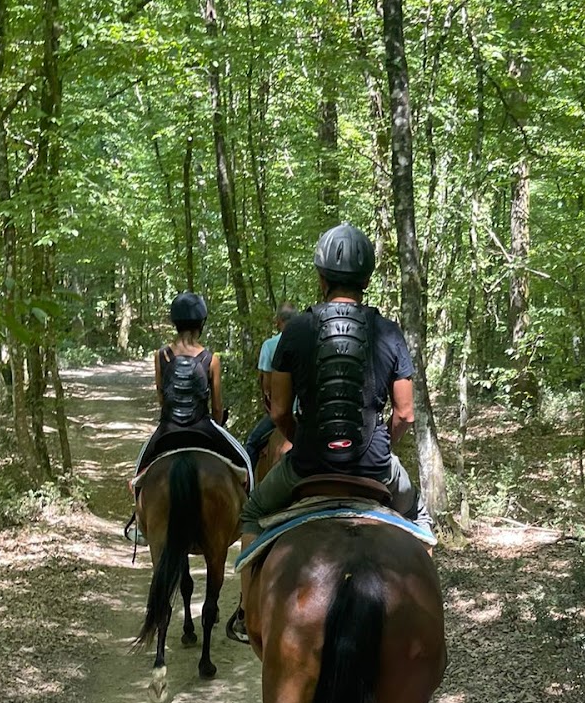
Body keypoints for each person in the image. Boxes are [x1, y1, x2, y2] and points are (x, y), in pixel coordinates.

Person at [239, 223, 429, 539]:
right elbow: (405, 413)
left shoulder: (295, 330)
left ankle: (249, 590)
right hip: (375, 464)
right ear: (367, 279)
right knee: (420, 518)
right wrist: (380, 449)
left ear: (321, 278)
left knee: (251, 514)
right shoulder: (389, 332)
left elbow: (279, 411)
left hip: (307, 464)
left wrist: (302, 442)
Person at [132, 291, 253, 486]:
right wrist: (218, 423)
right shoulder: (211, 359)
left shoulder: (160, 356)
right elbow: (217, 408)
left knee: (139, 474)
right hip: (202, 427)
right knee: (245, 463)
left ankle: (137, 511)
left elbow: (162, 398)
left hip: (168, 428)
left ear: (175, 322)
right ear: (201, 323)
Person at [244, 302, 297, 473]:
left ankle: (248, 488)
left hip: (282, 414)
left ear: (278, 321)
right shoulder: (308, 344)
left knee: (252, 443)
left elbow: (266, 386)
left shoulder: (269, 345)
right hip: (306, 414)